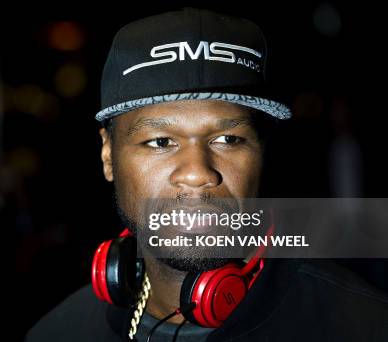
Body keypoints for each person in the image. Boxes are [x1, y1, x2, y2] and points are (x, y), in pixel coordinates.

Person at [26, 8, 388, 341]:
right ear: (107, 155)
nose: (198, 173)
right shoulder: (59, 331)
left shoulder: (364, 326)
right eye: (160, 141)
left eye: (228, 139)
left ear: (262, 153)